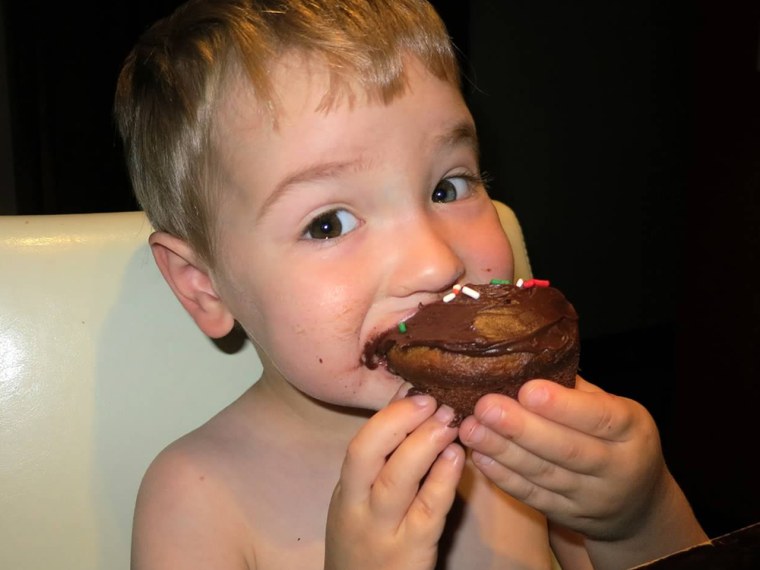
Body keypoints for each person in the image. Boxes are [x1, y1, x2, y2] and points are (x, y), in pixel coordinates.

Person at [114, 1, 707, 568]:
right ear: (204, 288)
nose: (434, 263)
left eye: (448, 187)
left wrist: (639, 519)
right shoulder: (199, 499)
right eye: (328, 224)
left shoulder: (533, 428)